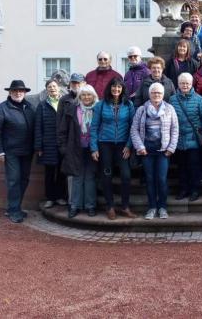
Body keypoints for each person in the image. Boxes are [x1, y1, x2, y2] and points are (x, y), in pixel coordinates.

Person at [131, 82, 179, 220]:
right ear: (149, 94)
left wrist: (171, 148)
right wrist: (140, 147)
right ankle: (152, 207)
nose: (156, 95)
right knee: (150, 179)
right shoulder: (141, 109)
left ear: (163, 94)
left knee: (162, 179)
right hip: (147, 151)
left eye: (159, 93)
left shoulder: (169, 109)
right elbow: (134, 129)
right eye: (154, 92)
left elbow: (175, 129)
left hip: (163, 151)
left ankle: (163, 207)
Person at [0, 80, 36, 223]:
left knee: (24, 179)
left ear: (25, 92)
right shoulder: (1, 109)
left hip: (27, 151)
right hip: (11, 152)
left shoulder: (30, 107)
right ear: (10, 92)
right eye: (15, 91)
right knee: (13, 180)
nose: (18, 93)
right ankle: (14, 211)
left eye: (21, 91)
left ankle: (14, 207)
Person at [90, 77, 136, 220]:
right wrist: (94, 148)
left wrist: (129, 145)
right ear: (109, 88)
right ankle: (109, 206)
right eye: (114, 87)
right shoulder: (100, 105)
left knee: (126, 175)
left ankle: (125, 206)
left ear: (122, 89)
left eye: (119, 87)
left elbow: (133, 127)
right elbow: (94, 127)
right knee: (107, 175)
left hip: (122, 144)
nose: (116, 90)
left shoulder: (128, 105)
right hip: (105, 144)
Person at [57, 84, 99, 218]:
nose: (86, 97)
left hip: (93, 149)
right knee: (76, 177)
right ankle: (74, 205)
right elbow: (62, 130)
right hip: (75, 148)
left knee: (90, 178)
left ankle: (90, 205)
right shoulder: (72, 109)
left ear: (94, 96)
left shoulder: (98, 109)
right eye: (84, 95)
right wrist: (63, 148)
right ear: (79, 96)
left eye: (89, 95)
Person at [170, 73, 202, 201]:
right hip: (178, 139)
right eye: (182, 83)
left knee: (194, 166)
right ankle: (183, 190)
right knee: (181, 166)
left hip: (194, 138)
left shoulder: (199, 99)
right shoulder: (172, 99)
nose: (185, 85)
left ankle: (195, 190)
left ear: (191, 84)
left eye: (187, 83)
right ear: (178, 84)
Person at [34, 79, 67, 209]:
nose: (52, 88)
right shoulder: (42, 105)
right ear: (46, 90)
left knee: (61, 172)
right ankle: (50, 198)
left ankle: (59, 197)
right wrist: (38, 147)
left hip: (62, 144)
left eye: (54, 86)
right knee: (49, 173)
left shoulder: (65, 103)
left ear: (59, 88)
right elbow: (38, 127)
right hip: (47, 145)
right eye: (49, 87)